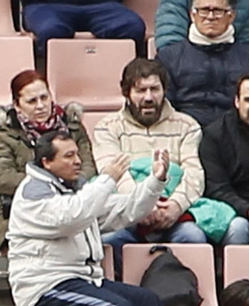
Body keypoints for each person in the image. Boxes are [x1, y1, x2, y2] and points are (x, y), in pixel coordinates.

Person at [7, 132, 168, 306]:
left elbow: (127, 210)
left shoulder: (78, 191)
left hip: (85, 279)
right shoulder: (33, 193)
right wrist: (107, 180)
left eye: (77, 154)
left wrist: (155, 182)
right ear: (47, 163)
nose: (77, 161)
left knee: (147, 301)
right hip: (46, 285)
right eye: (68, 156)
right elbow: (72, 216)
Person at [92, 58, 223, 258]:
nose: (148, 97)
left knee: (193, 237)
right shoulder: (107, 127)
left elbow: (194, 174)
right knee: (110, 240)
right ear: (126, 93)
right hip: (127, 212)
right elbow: (112, 174)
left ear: (165, 91)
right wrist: (143, 205)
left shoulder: (187, 126)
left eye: (155, 89)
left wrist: (176, 206)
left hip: (172, 211)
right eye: (140, 90)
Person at [0, 69, 97, 266]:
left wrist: (69, 185)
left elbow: (88, 166)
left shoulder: (73, 128)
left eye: (44, 97)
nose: (41, 106)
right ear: (17, 105)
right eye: (31, 101)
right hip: (22, 212)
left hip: (71, 205)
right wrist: (50, 184)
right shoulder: (2, 135)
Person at [159, 0, 249, 130]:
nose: (210, 17)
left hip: (237, 136)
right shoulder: (169, 57)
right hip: (185, 134)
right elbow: (166, 107)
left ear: (231, 16)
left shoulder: (246, 56)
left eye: (218, 11)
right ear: (192, 15)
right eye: (204, 10)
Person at [22, 0, 147, 66]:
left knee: (132, 27)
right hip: (46, 5)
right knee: (52, 30)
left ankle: (115, 80)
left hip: (104, 5)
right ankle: (58, 83)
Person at [203, 73, 249, 243]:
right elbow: (217, 189)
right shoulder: (216, 135)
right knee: (239, 227)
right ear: (237, 101)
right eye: (248, 100)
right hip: (237, 212)